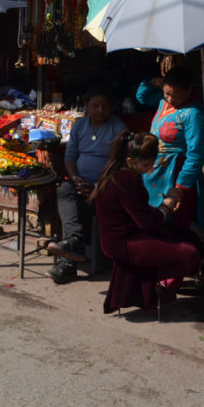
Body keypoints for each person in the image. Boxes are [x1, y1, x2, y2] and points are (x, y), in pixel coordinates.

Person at [91, 131, 204, 314]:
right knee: (189, 254)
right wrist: (167, 205)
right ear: (129, 161)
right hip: (124, 243)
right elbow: (147, 223)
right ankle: (151, 285)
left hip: (129, 236)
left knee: (188, 236)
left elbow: (139, 213)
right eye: (145, 164)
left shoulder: (120, 174)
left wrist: (162, 209)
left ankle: (150, 287)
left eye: (151, 163)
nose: (149, 169)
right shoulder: (125, 180)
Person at [45, 86, 127, 283]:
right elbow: (70, 157)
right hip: (81, 184)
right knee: (65, 190)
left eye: (104, 106)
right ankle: (74, 243)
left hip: (106, 187)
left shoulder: (119, 128)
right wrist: (75, 178)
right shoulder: (80, 125)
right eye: (95, 106)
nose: (100, 110)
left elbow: (120, 164)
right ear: (86, 107)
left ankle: (69, 260)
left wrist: (98, 185)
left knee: (75, 210)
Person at [135, 66, 204, 229]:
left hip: (173, 175)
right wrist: (153, 82)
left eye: (175, 95)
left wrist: (180, 187)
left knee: (170, 223)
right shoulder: (162, 102)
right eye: (166, 93)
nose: (170, 99)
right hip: (152, 172)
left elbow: (196, 154)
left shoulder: (194, 113)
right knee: (148, 218)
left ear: (189, 89)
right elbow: (141, 97)